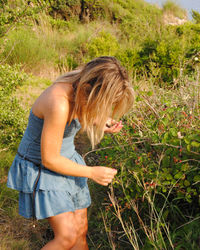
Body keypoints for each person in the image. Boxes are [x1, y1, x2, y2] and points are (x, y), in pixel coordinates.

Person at [7, 56, 134, 250]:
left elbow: (81, 110)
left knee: (80, 232)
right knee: (66, 237)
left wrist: (100, 121)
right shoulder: (58, 102)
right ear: (89, 91)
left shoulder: (80, 83)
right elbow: (49, 159)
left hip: (67, 162)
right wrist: (92, 172)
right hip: (43, 168)